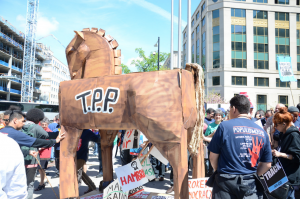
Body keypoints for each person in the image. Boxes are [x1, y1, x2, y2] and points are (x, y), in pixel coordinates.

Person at [207, 95, 272, 198]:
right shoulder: (262, 132)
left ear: (234, 109)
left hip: (225, 182)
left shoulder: (224, 126)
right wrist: (251, 176)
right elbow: (267, 164)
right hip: (250, 185)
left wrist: (218, 171)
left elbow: (213, 156)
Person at [21, 109, 61, 199]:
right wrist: (59, 134)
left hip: (20, 157)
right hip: (32, 157)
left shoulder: (21, 126)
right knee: (30, 184)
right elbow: (46, 135)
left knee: (20, 183)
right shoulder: (35, 127)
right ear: (38, 118)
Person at [272, 107, 300, 199]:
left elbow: (297, 157)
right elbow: (277, 147)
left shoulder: (293, 135)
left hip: (289, 176)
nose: (275, 126)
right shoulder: (282, 134)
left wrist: (281, 154)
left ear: (284, 124)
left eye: (276, 124)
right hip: (281, 174)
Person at [77, 129, 100, 194]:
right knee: (80, 172)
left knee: (74, 172)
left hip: (81, 155)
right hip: (73, 156)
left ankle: (72, 192)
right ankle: (92, 186)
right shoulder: (74, 130)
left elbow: (97, 139)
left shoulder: (87, 132)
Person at [35, 117, 52, 192]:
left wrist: (39, 148)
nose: (44, 126)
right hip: (39, 153)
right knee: (40, 169)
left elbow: (47, 143)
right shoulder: (40, 130)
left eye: (45, 124)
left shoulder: (49, 132)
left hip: (44, 153)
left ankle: (41, 183)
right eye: (42, 124)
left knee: (42, 169)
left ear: (48, 124)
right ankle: (42, 182)